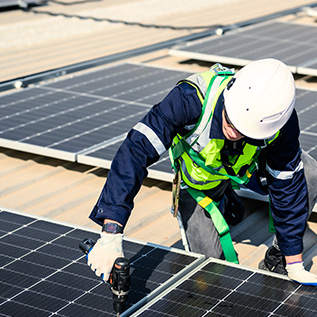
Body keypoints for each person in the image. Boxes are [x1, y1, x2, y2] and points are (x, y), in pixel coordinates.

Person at [87, 58, 317, 286]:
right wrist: (111, 232)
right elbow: (134, 152)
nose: (235, 132)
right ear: (230, 92)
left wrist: (294, 262)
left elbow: (289, 188)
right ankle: (223, 199)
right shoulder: (189, 99)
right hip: (199, 184)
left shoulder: (279, 122)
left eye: (245, 130)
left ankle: (278, 256)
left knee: (307, 172)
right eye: (231, 121)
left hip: (245, 172)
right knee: (209, 272)